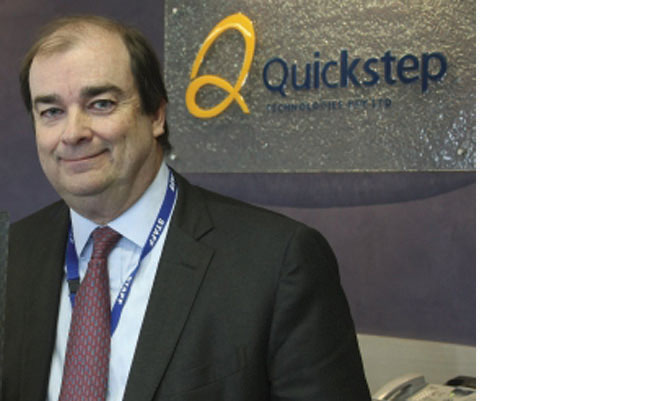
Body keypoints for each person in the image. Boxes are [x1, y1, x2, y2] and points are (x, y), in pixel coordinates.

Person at [2, 15, 370, 401]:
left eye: (101, 104)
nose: (73, 132)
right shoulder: (13, 254)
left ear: (156, 115)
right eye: (51, 111)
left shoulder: (277, 262)